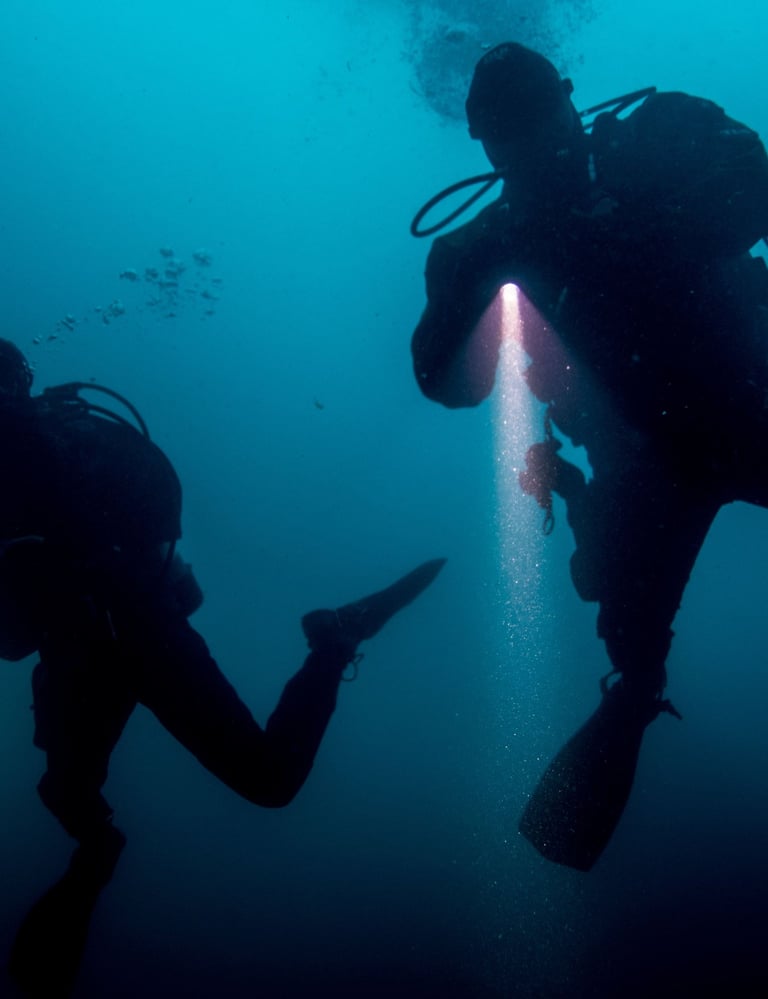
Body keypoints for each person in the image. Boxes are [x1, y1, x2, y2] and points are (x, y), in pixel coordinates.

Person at [410, 41, 768, 870]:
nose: (534, 140)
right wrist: (472, 278)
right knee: (630, 636)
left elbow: (755, 188)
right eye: (511, 129)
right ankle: (632, 696)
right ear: (487, 145)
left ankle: (630, 668)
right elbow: (448, 384)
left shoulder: (657, 136)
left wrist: (643, 223)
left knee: (626, 612)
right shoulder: (488, 245)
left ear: (570, 100)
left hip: (746, 396)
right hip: (650, 458)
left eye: (538, 114)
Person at [0, 338, 445, 997]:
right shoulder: (77, 438)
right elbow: (169, 568)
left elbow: (15, 634)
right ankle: (332, 640)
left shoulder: (48, 449)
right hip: (134, 634)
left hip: (113, 644)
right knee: (247, 781)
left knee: (85, 793)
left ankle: (333, 641)